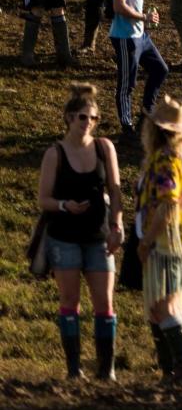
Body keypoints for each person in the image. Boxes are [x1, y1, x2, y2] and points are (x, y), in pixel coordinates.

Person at [37, 83, 124, 380]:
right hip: (64, 237)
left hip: (98, 235)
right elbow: (43, 198)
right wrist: (64, 205)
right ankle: (74, 368)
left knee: (105, 302)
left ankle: (106, 369)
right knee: (69, 301)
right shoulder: (55, 153)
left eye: (93, 118)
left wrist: (118, 225)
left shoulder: (104, 148)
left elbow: (115, 188)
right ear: (69, 118)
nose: (88, 123)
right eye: (82, 117)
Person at [136, 95, 182, 386]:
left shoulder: (165, 158)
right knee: (180, 306)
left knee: (165, 306)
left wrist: (147, 240)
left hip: (168, 242)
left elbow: (167, 202)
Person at [108, 0, 167, 137]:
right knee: (127, 83)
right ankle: (127, 126)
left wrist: (147, 18)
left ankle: (146, 112)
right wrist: (144, 17)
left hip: (139, 35)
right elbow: (118, 6)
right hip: (125, 36)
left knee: (160, 69)